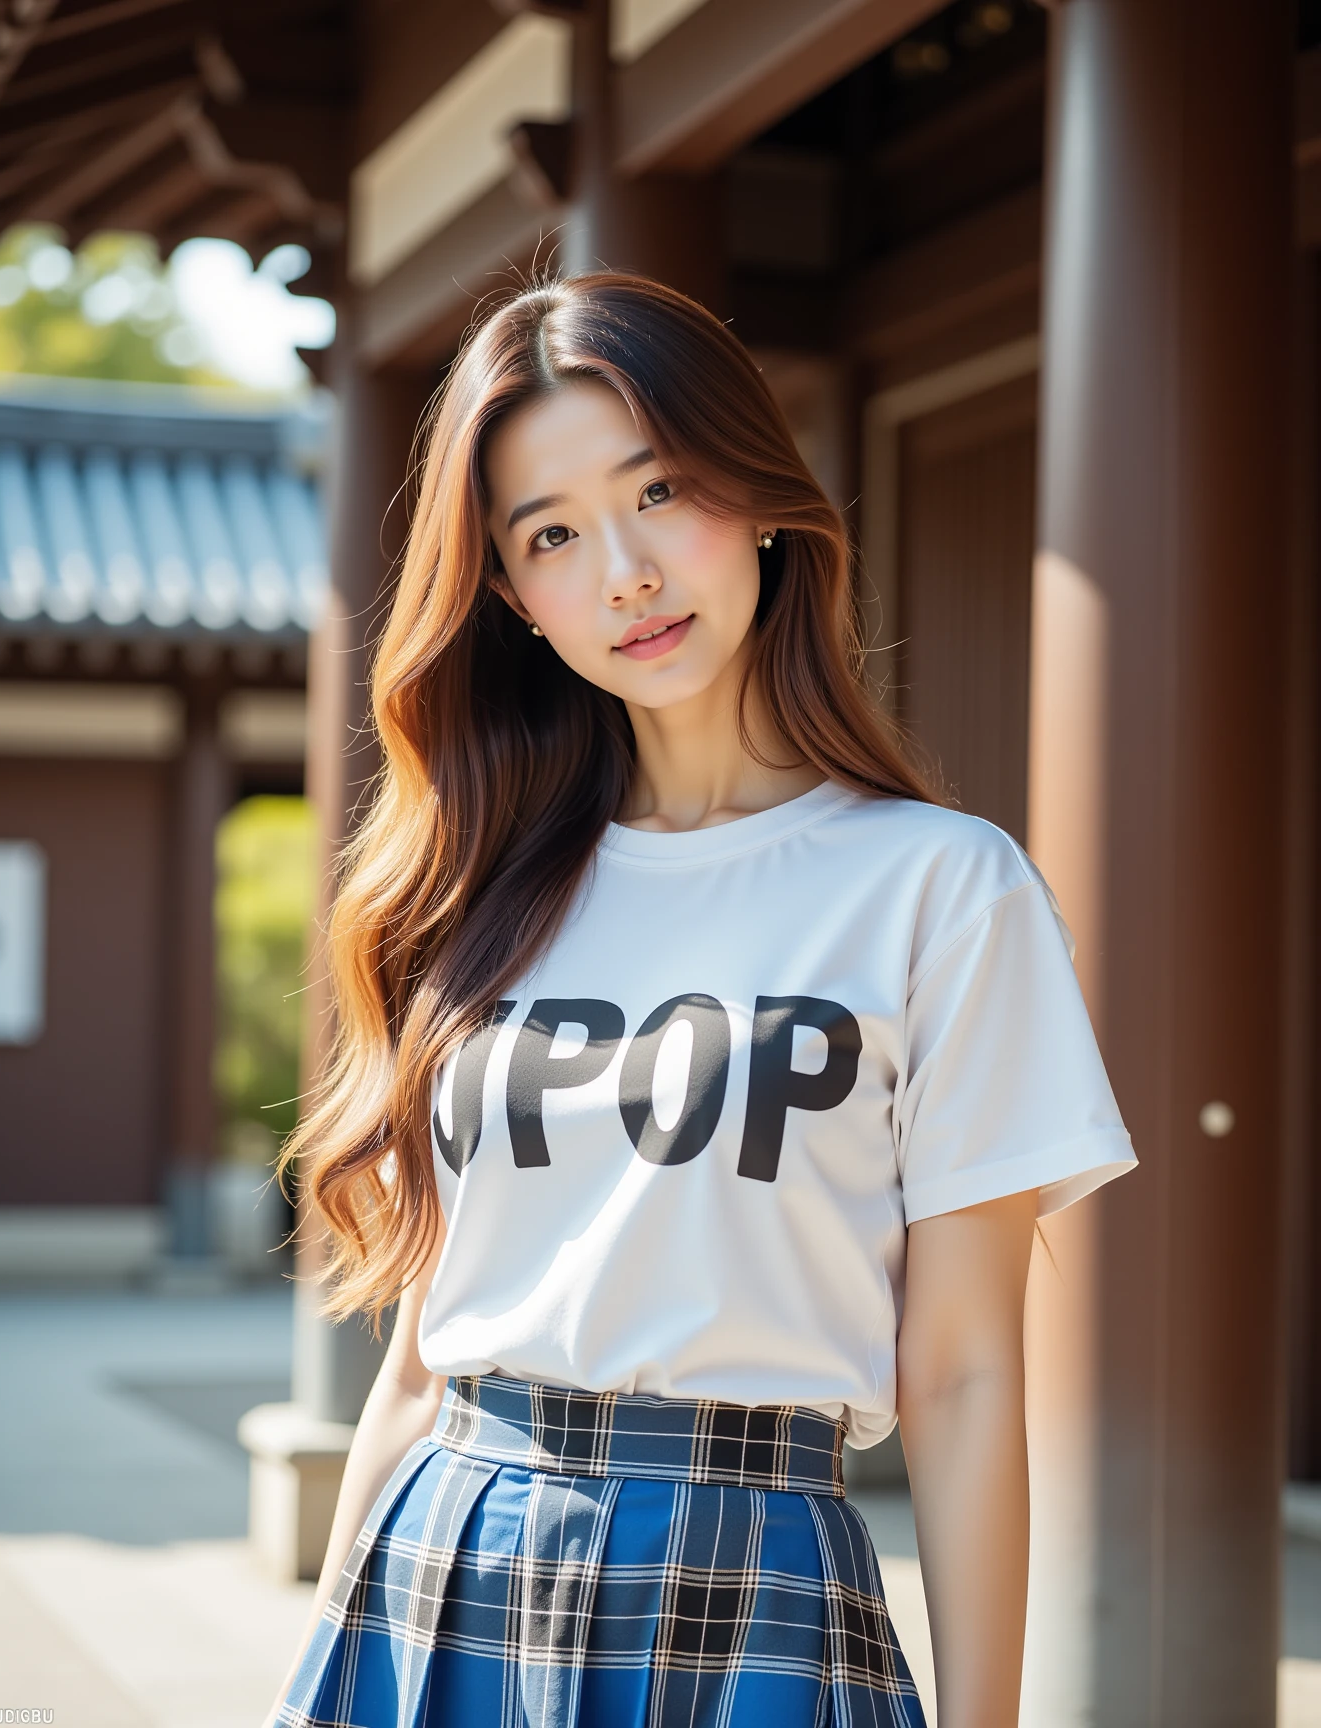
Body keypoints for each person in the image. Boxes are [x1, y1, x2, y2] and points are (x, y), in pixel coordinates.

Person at [263, 272, 1136, 1728]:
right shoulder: (476, 891)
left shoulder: (938, 887)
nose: (625, 573)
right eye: (551, 534)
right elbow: (421, 1364)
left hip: (758, 1574)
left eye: (657, 489)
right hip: (447, 1562)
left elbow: (969, 1367)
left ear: (761, 493)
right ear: (512, 599)